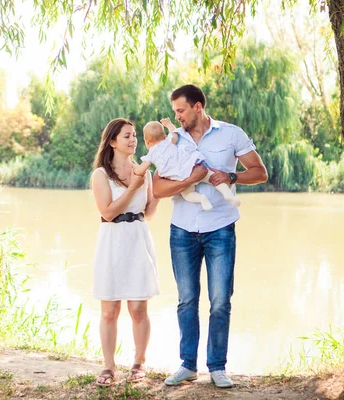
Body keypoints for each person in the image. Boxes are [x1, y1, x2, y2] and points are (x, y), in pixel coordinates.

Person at [152, 84, 268, 388]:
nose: (176, 116)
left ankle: (217, 367)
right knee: (186, 300)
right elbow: (158, 189)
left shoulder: (231, 134)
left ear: (198, 107)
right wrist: (190, 180)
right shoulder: (171, 141)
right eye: (175, 111)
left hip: (220, 228)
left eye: (181, 110)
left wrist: (231, 176)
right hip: (182, 229)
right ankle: (187, 365)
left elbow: (260, 172)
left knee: (220, 301)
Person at [91, 118, 161, 386]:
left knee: (138, 308)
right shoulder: (101, 175)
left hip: (138, 239)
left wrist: (155, 191)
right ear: (112, 142)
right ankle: (108, 367)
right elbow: (107, 213)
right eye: (127, 136)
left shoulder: (144, 172)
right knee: (109, 310)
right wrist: (133, 186)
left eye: (134, 135)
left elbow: (148, 213)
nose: (133, 140)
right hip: (112, 241)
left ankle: (139, 363)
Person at [134, 118, 241, 210]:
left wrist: (135, 170)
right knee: (212, 177)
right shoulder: (168, 141)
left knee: (188, 195)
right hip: (192, 167)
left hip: (180, 178)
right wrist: (168, 124)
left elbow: (140, 170)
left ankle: (202, 199)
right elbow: (174, 133)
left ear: (146, 141)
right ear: (164, 135)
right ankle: (228, 194)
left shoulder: (151, 154)